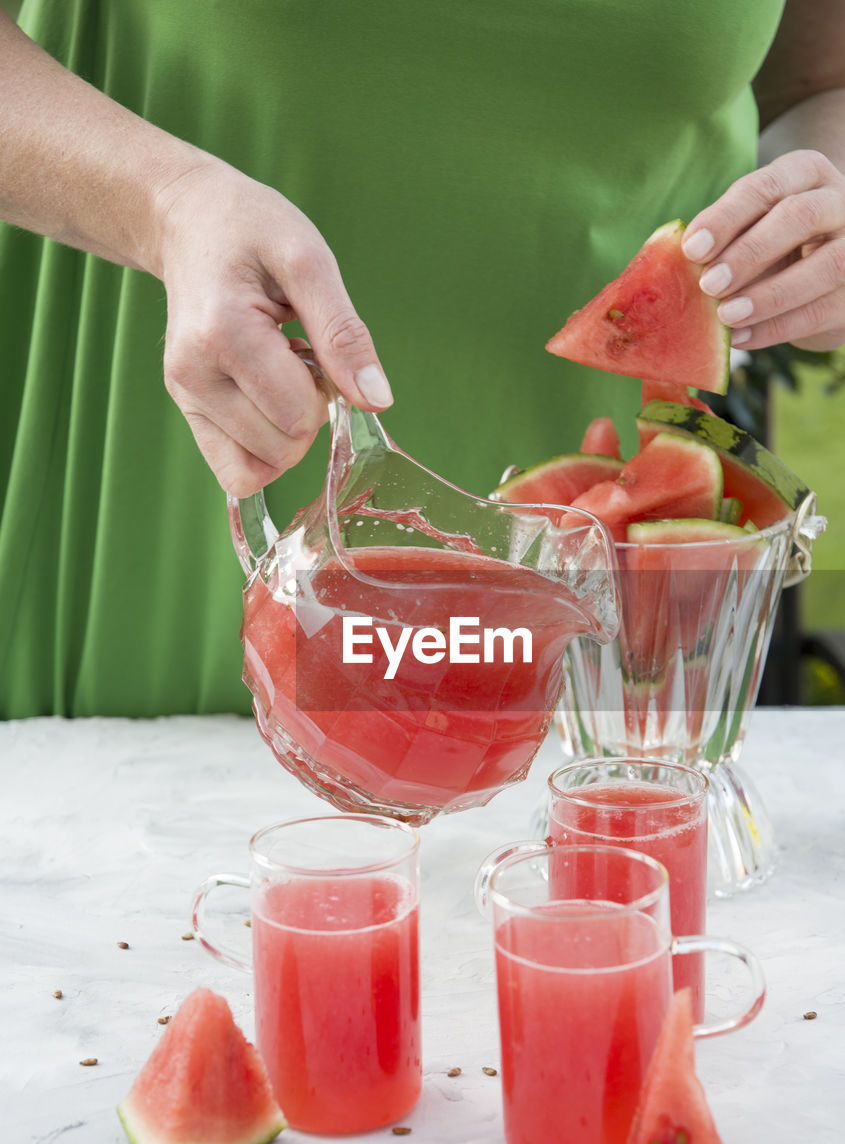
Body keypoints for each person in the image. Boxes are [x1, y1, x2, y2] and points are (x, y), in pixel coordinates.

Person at [0, 0, 843, 719]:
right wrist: (165, 204)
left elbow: (814, 84)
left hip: (595, 605)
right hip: (153, 477)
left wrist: (815, 219)